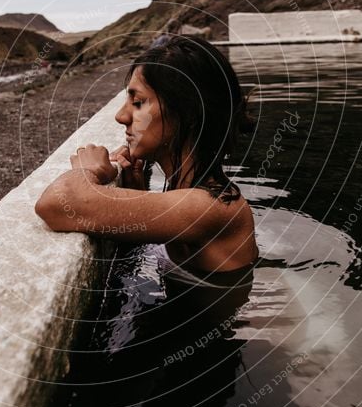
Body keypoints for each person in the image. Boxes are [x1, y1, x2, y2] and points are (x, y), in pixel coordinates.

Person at [34, 35, 258, 274]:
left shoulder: (211, 207)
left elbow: (58, 202)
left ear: (188, 112)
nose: (121, 116)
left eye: (138, 102)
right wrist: (137, 194)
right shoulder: (190, 193)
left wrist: (88, 170)